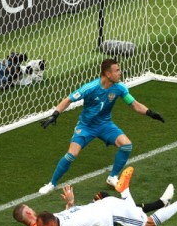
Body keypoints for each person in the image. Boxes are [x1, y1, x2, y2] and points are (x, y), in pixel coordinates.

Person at [39, 58, 165, 194]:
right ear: (108, 74)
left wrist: (150, 113)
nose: (120, 73)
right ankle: (52, 183)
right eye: (117, 70)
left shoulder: (120, 88)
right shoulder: (90, 88)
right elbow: (68, 99)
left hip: (105, 125)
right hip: (86, 126)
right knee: (72, 154)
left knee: (127, 145)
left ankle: (112, 177)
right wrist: (55, 114)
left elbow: (134, 104)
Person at [27, 167, 177, 226]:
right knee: (137, 215)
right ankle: (124, 191)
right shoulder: (55, 220)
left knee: (148, 224)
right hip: (105, 207)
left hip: (112, 213)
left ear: (50, 225)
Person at [13, 183, 174, 226]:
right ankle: (160, 204)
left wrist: (70, 203)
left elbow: (65, 218)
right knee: (112, 207)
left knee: (103, 198)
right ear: (28, 212)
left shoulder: (45, 224)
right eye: (30, 208)